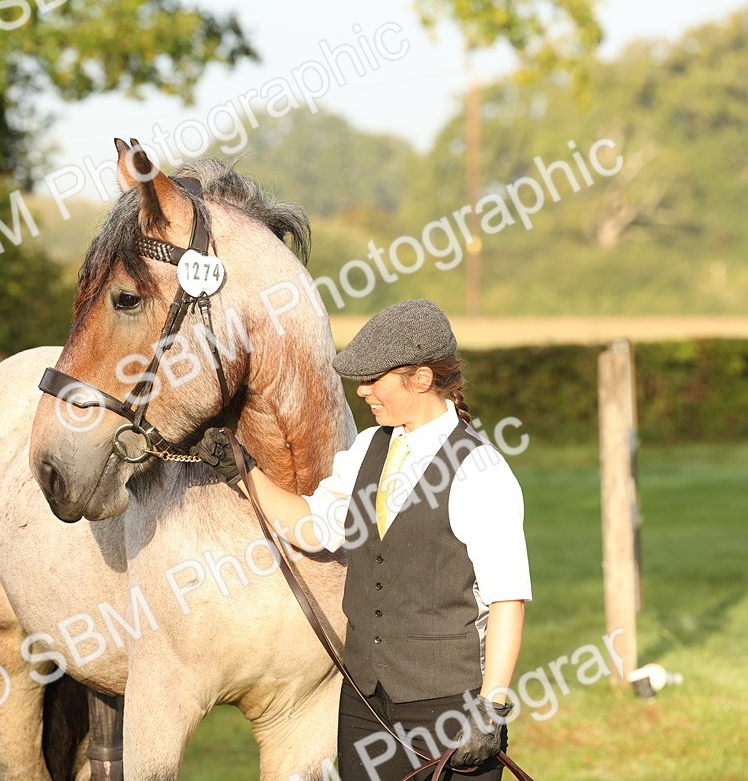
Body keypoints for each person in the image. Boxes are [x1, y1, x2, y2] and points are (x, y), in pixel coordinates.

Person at [192, 299, 531, 781]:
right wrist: (244, 472)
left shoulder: (481, 470)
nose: (364, 391)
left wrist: (492, 705)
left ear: (421, 378)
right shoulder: (369, 447)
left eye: (376, 379)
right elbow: (314, 525)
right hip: (364, 704)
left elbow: (507, 598)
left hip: (446, 708)